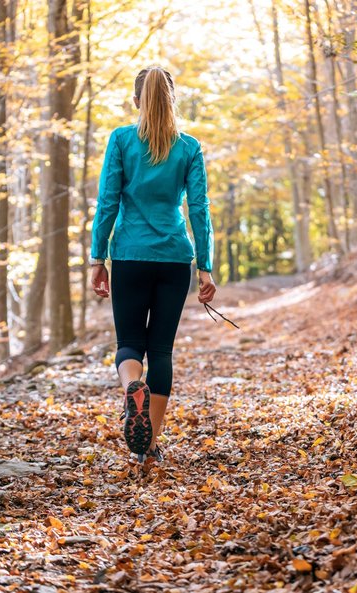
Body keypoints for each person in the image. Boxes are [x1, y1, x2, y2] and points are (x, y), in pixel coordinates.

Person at [88, 66, 216, 463]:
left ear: (136, 101)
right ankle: (149, 445)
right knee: (161, 349)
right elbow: (199, 208)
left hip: (129, 254)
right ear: (172, 100)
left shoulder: (122, 139)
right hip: (175, 258)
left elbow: (108, 200)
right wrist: (205, 266)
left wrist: (98, 256)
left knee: (130, 344)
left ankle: (133, 389)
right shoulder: (189, 147)